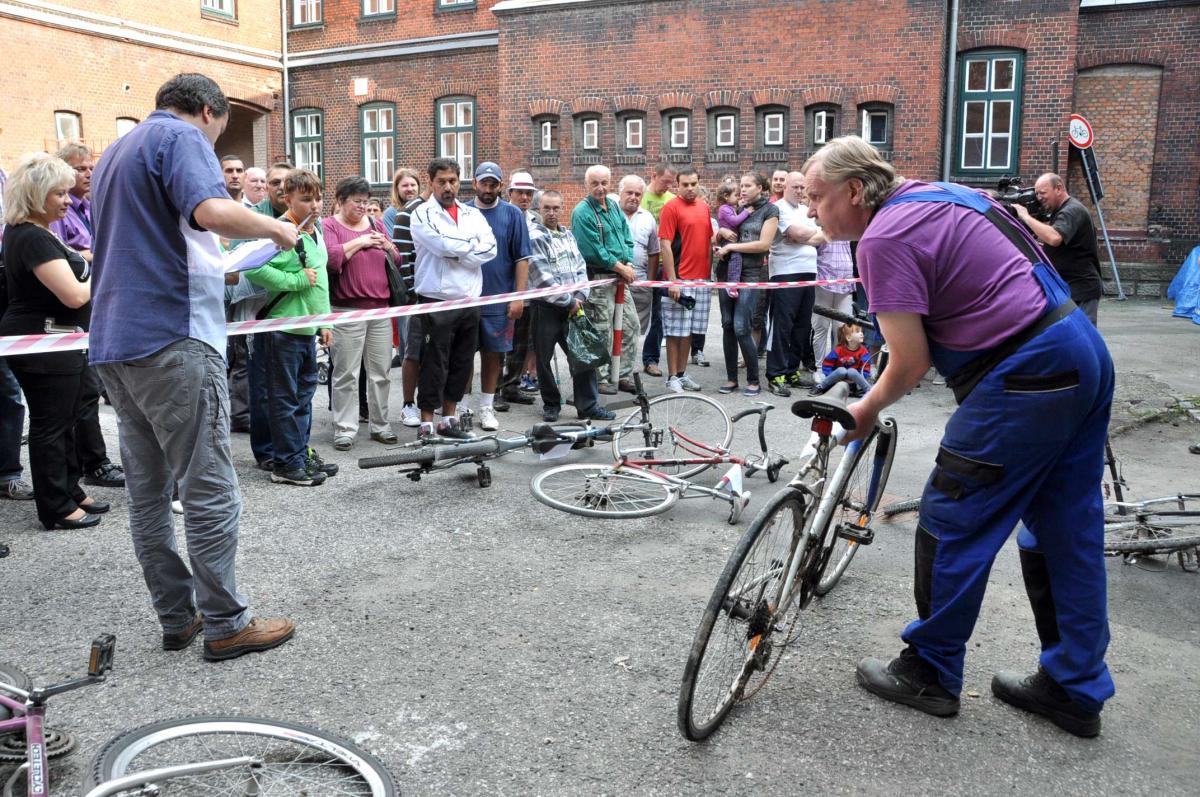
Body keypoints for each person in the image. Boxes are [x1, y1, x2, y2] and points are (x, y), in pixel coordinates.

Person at [803, 135, 1114, 737]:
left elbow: (910, 360)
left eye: (818, 198)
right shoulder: (942, 192)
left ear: (856, 191)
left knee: (952, 518)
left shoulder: (884, 236)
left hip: (1022, 373)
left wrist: (865, 408)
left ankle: (930, 670)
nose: (813, 210)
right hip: (1078, 348)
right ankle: (1074, 687)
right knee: (1063, 529)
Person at [90, 73, 297, 661]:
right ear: (207, 111)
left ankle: (176, 616)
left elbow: (157, 235)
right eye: (221, 129)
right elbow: (209, 211)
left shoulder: (114, 153)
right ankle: (226, 622)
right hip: (172, 334)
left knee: (149, 493)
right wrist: (275, 227)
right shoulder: (181, 139)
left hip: (116, 339)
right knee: (208, 486)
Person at [0, 153, 104, 530]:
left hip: (57, 338)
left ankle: (70, 489)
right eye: (58, 193)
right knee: (51, 423)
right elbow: (74, 296)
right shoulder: (31, 236)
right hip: (44, 339)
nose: (66, 199)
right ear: (35, 193)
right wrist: (106, 268)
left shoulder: (36, 232)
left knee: (69, 417)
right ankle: (55, 505)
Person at [245, 169, 336, 486]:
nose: (315, 205)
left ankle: (299, 453)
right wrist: (295, 281)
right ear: (288, 199)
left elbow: (320, 278)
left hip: (306, 330)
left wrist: (324, 320)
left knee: (304, 396)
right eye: (306, 199)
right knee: (284, 398)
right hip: (282, 330)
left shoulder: (315, 231)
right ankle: (285, 462)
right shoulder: (281, 230)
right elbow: (253, 268)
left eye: (318, 198)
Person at [48, 141, 125, 488]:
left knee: (90, 388)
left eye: (90, 167)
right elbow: (62, 257)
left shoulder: (93, 207)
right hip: (69, 310)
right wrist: (93, 256)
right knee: (80, 392)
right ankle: (92, 462)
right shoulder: (58, 214)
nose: (88, 174)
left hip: (99, 303)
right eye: (80, 168)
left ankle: (89, 462)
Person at [410, 157, 497, 439]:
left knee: (462, 362)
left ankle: (449, 418)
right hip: (437, 299)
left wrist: (459, 250)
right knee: (434, 362)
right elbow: (440, 245)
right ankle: (426, 422)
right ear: (431, 183)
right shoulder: (422, 214)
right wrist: (469, 248)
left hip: (469, 300)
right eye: (442, 181)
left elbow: (491, 248)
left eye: (453, 181)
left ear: (460, 182)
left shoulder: (473, 215)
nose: (448, 187)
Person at [323, 176, 399, 450]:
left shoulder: (377, 223)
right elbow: (331, 259)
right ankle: (345, 429)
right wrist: (362, 242)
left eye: (367, 202)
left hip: (379, 309)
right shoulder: (329, 225)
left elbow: (397, 259)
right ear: (341, 201)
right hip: (346, 310)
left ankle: (381, 425)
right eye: (358, 202)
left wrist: (388, 246)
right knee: (346, 373)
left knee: (381, 372)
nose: (363, 207)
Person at [526, 190, 605, 422]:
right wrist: (568, 300)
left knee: (583, 356)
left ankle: (588, 406)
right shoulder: (534, 236)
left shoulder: (568, 235)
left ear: (562, 208)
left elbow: (581, 266)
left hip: (574, 305)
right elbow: (541, 276)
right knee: (544, 360)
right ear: (538, 209)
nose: (551, 213)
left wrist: (581, 293)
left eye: (556, 208)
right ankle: (551, 404)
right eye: (546, 208)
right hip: (546, 307)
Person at [469, 162, 531, 431]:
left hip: (498, 297)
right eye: (484, 183)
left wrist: (518, 297)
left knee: (493, 356)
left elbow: (522, 258)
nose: (488, 188)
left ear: (500, 186)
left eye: (493, 184)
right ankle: (460, 406)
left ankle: (486, 406)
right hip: (467, 297)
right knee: (462, 355)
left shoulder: (512, 214)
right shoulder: (463, 212)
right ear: (474, 183)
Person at [570, 165, 636, 403]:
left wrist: (626, 260)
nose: (600, 188)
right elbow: (592, 251)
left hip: (620, 278)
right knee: (602, 330)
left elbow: (627, 237)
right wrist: (620, 267)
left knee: (631, 325)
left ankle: (624, 373)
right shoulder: (582, 213)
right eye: (595, 183)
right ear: (587, 185)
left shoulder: (614, 206)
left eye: (604, 183)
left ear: (610, 183)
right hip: (599, 279)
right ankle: (601, 378)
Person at [714, 172, 778, 397]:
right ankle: (731, 379)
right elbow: (718, 238)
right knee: (728, 324)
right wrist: (719, 233)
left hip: (751, 272)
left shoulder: (769, 210)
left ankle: (753, 379)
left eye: (748, 186)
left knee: (742, 326)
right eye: (741, 185)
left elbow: (763, 245)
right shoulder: (735, 207)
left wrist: (732, 247)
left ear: (760, 188)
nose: (742, 189)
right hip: (726, 271)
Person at [1014, 173, 1103, 326]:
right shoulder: (1061, 211)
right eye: (1036, 193)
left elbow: (1054, 238)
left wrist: (1026, 217)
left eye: (1043, 193)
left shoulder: (1072, 210)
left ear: (1059, 188)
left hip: (1082, 289)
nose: (1039, 198)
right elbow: (1060, 246)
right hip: (1070, 287)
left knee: (1082, 338)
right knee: (1070, 337)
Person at [766, 171, 825, 396]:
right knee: (782, 324)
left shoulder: (805, 210)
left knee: (802, 325)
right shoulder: (778, 208)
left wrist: (806, 237)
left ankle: (792, 371)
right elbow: (797, 233)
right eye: (796, 187)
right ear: (785, 187)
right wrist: (809, 235)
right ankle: (776, 374)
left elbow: (822, 235)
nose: (800, 191)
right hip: (785, 273)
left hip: (809, 272)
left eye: (803, 188)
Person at [657, 167, 712, 393]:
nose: (690, 188)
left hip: (702, 279)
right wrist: (672, 280)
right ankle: (671, 377)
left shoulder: (704, 207)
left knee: (690, 330)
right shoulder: (670, 208)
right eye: (685, 185)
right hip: (680, 277)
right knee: (674, 331)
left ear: (698, 183)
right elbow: (665, 245)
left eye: (693, 184)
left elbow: (706, 239)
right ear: (677, 185)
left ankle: (681, 373)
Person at [498, 170, 542, 405]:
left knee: (521, 342)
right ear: (510, 193)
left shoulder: (536, 220)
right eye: (520, 193)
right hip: (505, 288)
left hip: (531, 289)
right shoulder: (502, 215)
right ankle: (495, 390)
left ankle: (512, 385)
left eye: (528, 193)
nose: (524, 197)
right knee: (499, 342)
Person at [387, 170, 426, 428]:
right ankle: (408, 404)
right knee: (410, 349)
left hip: (429, 292)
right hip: (407, 292)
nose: (410, 189)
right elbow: (399, 253)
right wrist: (410, 291)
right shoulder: (396, 214)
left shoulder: (425, 210)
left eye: (413, 184)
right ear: (397, 188)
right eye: (405, 185)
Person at [619, 175, 661, 382]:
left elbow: (654, 252)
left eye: (638, 194)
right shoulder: (611, 213)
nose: (634, 197)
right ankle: (613, 372)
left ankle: (624, 372)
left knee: (634, 331)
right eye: (629, 193)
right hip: (614, 284)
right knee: (614, 329)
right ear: (620, 193)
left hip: (640, 283)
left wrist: (650, 283)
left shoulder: (648, 218)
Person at [640, 162, 676, 377]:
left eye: (671, 183)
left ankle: (651, 359)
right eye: (665, 182)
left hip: (663, 262)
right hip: (641, 263)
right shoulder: (640, 196)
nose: (667, 187)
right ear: (654, 176)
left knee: (659, 314)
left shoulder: (671, 200)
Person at [811, 240, 856, 360]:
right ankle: (819, 367)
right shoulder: (822, 225)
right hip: (823, 279)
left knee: (842, 328)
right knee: (821, 326)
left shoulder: (849, 224)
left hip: (846, 280)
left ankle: (836, 366)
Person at [812, 323, 872, 396]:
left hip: (853, 380)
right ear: (849, 338)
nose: (861, 333)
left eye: (861, 331)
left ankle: (869, 391)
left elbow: (865, 368)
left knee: (852, 371)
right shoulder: (838, 350)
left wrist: (857, 379)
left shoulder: (864, 351)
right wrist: (830, 375)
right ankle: (820, 387)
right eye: (858, 332)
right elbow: (827, 364)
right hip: (837, 378)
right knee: (842, 370)